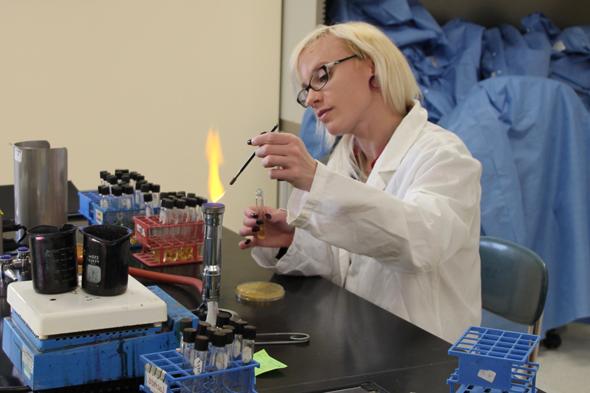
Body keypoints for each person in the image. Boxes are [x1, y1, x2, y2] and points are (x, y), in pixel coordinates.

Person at [239, 22, 482, 343]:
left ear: (372, 67)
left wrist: (315, 179)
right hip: (363, 339)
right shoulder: (347, 155)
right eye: (305, 89)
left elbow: (420, 243)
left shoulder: (445, 157)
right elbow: (348, 259)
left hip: (428, 355)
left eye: (321, 76)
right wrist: (291, 240)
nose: (311, 98)